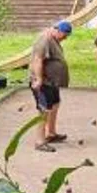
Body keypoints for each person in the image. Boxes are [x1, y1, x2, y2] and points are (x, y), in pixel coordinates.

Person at [29, 21, 72, 152]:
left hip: (52, 82)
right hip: (44, 82)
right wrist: (39, 79)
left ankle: (51, 133)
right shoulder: (45, 40)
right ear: (57, 30)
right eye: (64, 35)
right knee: (44, 109)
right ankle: (40, 141)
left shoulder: (54, 39)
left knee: (55, 104)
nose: (65, 38)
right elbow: (38, 60)